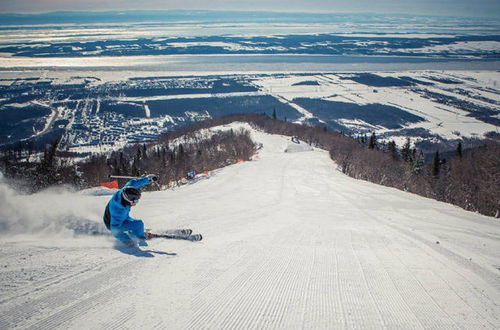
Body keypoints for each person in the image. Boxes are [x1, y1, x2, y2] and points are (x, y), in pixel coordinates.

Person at [103, 174, 158, 246]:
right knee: (138, 224)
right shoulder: (119, 210)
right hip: (112, 223)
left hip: (122, 217)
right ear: (128, 200)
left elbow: (134, 182)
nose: (136, 203)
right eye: (135, 201)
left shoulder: (126, 190)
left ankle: (135, 232)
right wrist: (127, 240)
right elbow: (114, 230)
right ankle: (140, 237)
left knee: (138, 225)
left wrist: (148, 179)